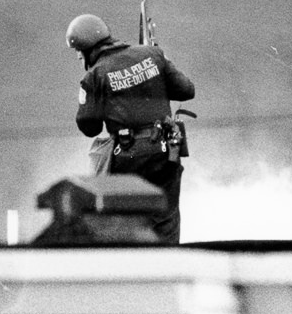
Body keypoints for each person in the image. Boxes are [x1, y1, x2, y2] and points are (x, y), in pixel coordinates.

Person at [66, 13, 195, 242]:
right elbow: (186, 90)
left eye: (79, 51)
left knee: (127, 222)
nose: (78, 57)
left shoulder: (94, 76)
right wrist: (160, 66)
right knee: (166, 219)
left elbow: (89, 127)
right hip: (166, 151)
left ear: (88, 48)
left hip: (128, 156)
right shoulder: (152, 54)